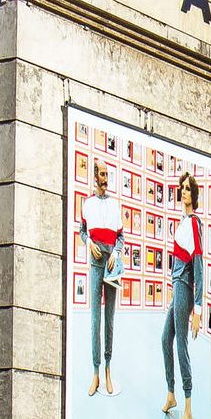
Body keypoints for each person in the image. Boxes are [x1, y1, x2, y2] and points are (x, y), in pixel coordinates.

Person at [162, 170, 203, 419]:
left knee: (181, 346)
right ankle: (171, 393)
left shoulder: (194, 223)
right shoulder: (182, 221)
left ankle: (187, 407)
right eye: (182, 188)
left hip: (185, 286)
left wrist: (197, 309)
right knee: (166, 338)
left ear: (194, 194)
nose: (184, 192)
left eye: (188, 188)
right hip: (178, 284)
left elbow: (199, 266)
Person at [80, 161, 123, 397]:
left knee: (110, 319)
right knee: (95, 317)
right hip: (96, 261)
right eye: (102, 174)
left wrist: (115, 252)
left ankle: (108, 368)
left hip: (111, 263)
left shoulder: (115, 206)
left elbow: (121, 236)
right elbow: (82, 231)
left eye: (108, 174)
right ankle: (95, 372)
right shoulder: (88, 204)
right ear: (95, 176)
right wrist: (89, 244)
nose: (105, 178)